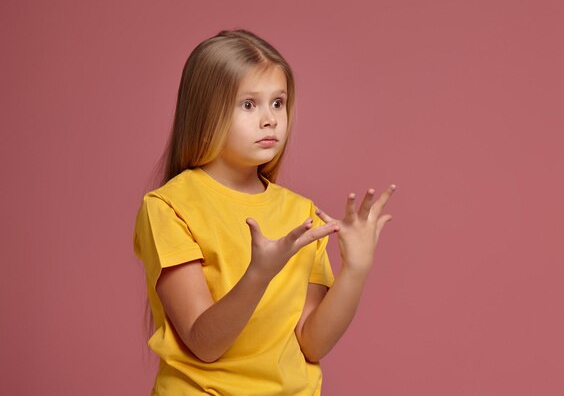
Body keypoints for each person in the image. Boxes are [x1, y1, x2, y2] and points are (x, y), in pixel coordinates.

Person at [133, 29, 395, 396]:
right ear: (205, 112)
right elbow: (204, 344)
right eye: (248, 104)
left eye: (278, 102)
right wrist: (259, 275)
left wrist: (357, 269)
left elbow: (312, 343)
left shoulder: (300, 212)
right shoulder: (168, 207)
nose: (270, 119)